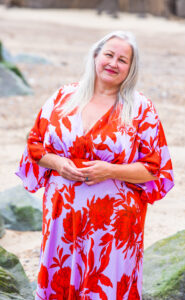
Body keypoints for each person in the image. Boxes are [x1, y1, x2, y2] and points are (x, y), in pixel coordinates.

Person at [16, 31, 174, 300]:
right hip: (62, 219)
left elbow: (153, 168)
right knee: (60, 281)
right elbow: (35, 145)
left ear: (130, 69)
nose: (114, 63)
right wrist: (58, 163)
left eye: (123, 60)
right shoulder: (63, 97)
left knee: (106, 288)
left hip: (114, 227)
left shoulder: (141, 108)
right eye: (109, 55)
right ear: (95, 56)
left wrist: (109, 170)